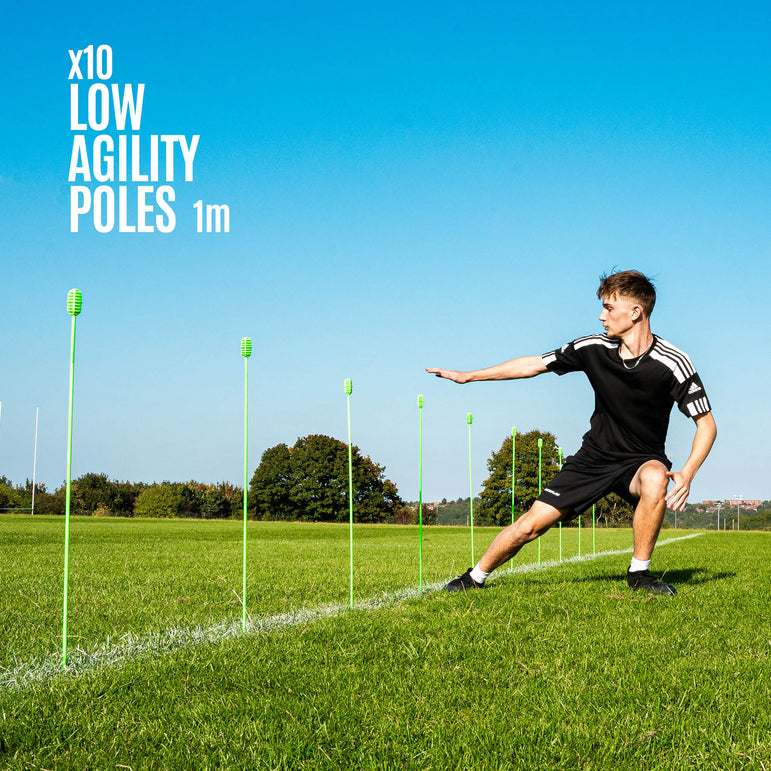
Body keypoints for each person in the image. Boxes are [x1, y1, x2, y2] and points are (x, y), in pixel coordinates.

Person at [426, 270, 716, 595]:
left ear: (635, 312)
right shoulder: (593, 347)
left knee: (656, 478)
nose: (601, 315)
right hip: (592, 459)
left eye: (609, 308)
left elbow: (706, 423)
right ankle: (474, 577)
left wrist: (687, 473)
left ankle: (639, 574)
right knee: (531, 526)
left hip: (640, 460)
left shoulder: (673, 362)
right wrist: (469, 376)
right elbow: (533, 364)